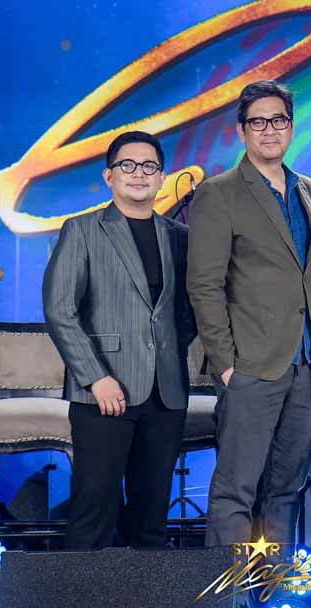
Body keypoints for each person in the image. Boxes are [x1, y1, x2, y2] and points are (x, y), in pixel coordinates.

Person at [187, 80, 311, 548]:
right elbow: (204, 285)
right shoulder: (219, 193)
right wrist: (227, 365)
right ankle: (228, 590)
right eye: (258, 122)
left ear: (291, 127)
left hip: (307, 365)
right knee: (237, 488)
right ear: (242, 130)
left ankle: (274, 587)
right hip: (250, 365)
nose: (269, 130)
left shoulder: (306, 190)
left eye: (278, 120)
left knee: (286, 489)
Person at [43, 130, 197, 550]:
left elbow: (187, 312)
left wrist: (167, 353)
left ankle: (143, 594)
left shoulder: (179, 236)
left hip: (165, 391)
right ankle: (79, 595)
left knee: (151, 518)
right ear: (109, 175)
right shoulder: (82, 230)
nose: (138, 173)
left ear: (162, 177)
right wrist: (96, 377)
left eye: (149, 166)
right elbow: (60, 310)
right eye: (127, 165)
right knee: (94, 510)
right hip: (103, 391)